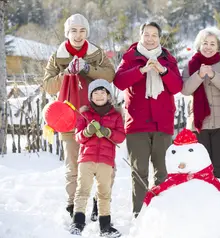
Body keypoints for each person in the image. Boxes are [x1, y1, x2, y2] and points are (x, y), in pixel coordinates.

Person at [42, 14, 115, 218]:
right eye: (73, 30)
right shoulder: (58, 56)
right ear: (67, 33)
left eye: (82, 30)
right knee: (73, 164)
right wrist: (65, 73)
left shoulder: (95, 53)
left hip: (96, 115)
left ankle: (98, 203)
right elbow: (48, 85)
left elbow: (110, 75)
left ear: (87, 32)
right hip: (68, 117)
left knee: (101, 162)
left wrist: (87, 68)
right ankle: (73, 204)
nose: (78, 34)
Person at [113, 22, 183, 217]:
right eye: (147, 35)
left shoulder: (168, 58)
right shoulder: (130, 57)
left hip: (163, 123)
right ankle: (140, 213)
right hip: (137, 123)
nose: (150, 38)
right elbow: (119, 81)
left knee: (162, 171)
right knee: (139, 171)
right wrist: (141, 71)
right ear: (141, 35)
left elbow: (177, 87)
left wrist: (163, 71)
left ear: (159, 38)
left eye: (154, 35)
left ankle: (161, 212)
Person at [70, 79, 125, 237]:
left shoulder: (115, 115)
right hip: (87, 159)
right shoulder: (85, 114)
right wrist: (88, 131)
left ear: (108, 96)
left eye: (103, 93)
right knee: (83, 191)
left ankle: (105, 227)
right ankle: (78, 222)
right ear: (90, 96)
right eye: (96, 93)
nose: (99, 96)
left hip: (106, 161)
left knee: (104, 193)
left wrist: (107, 132)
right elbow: (78, 137)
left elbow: (120, 136)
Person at [181, 27, 220, 182]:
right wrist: (199, 75)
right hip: (198, 124)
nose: (208, 47)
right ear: (199, 44)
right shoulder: (191, 66)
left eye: (212, 44)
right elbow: (185, 89)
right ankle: (203, 199)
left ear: (218, 47)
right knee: (200, 165)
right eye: (205, 43)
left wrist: (212, 74)